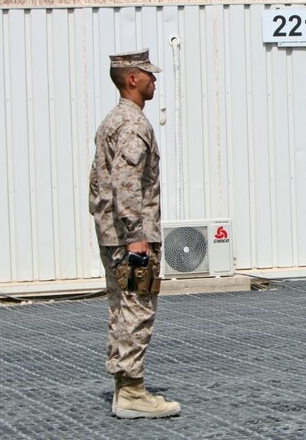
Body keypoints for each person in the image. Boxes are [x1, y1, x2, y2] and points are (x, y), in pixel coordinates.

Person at [89, 49, 181, 419]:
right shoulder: (133, 124)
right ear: (132, 80)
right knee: (137, 308)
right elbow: (125, 184)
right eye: (149, 76)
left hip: (115, 234)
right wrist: (135, 235)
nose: (154, 81)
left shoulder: (114, 120)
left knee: (122, 306)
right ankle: (132, 393)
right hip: (131, 235)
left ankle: (124, 387)